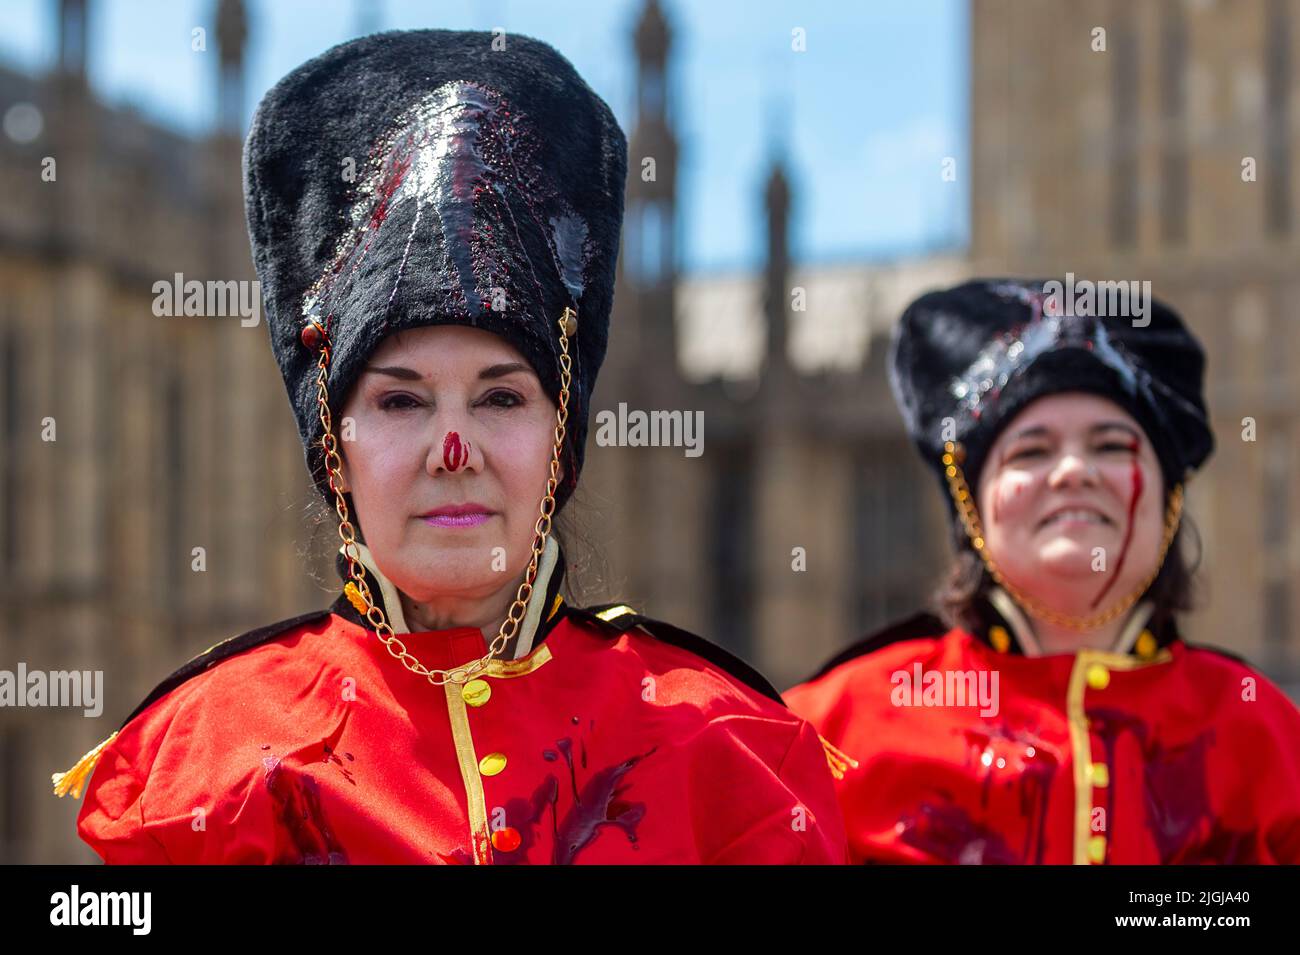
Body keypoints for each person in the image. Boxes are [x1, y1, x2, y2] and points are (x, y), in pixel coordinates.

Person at [53, 29, 848, 865]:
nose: (454, 448)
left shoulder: (731, 752)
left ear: (561, 442)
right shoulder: (202, 765)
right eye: (400, 401)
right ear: (335, 447)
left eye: (502, 396)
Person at [786, 278, 1300, 864]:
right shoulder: (824, 732)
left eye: (1111, 446)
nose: (1073, 470)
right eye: (1031, 451)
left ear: (1170, 499)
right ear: (972, 506)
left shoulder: (1265, 733)